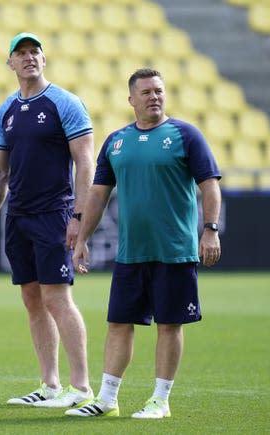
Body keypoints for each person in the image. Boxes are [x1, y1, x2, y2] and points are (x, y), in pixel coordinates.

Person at [65, 68, 222, 419]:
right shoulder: (117, 141)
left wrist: (210, 229)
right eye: (147, 92)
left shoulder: (185, 135)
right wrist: (82, 240)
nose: (155, 96)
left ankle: (160, 400)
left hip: (174, 251)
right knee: (119, 323)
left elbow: (209, 185)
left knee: (169, 324)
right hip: (131, 253)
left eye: (159, 90)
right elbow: (98, 195)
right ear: (131, 99)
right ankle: (106, 400)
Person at [0, 32, 96, 408]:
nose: (29, 57)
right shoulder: (6, 111)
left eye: (35, 52)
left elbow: (85, 162)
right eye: (21, 53)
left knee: (57, 298)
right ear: (9, 63)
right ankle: (49, 385)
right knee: (32, 299)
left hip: (54, 213)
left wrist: (79, 217)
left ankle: (80, 389)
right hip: (20, 215)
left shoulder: (66, 103)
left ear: (44, 60)